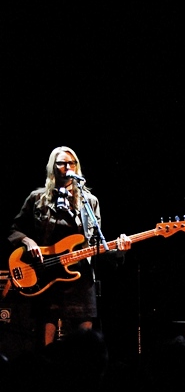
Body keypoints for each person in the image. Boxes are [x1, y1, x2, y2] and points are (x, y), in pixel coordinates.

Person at [6, 146, 132, 347]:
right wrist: (28, 241)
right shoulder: (37, 198)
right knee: (44, 343)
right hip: (46, 274)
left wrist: (119, 249)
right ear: (52, 167)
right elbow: (14, 229)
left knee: (84, 346)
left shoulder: (89, 202)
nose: (67, 167)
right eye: (61, 163)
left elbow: (95, 243)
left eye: (71, 163)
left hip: (80, 278)